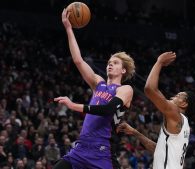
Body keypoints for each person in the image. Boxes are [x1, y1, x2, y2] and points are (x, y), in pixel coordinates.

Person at [53, 8, 135, 169]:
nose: (110, 64)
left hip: (102, 152)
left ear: (124, 70)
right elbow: (78, 60)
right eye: (109, 62)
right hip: (81, 149)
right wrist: (68, 28)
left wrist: (73, 105)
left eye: (115, 62)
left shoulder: (126, 89)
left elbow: (107, 109)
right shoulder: (99, 83)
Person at [118, 52, 195, 169]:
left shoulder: (176, 115)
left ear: (184, 103)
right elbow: (158, 150)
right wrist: (135, 132)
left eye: (178, 95)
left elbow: (149, 89)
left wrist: (159, 62)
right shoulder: (184, 125)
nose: (173, 97)